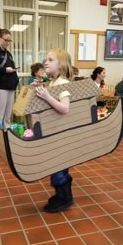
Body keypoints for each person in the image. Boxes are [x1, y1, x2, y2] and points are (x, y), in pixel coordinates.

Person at [35, 48, 73, 213]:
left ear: (61, 64)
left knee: (58, 168)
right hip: (55, 134)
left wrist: (46, 96)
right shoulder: (53, 83)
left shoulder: (63, 83)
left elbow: (65, 108)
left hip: (61, 136)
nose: (46, 62)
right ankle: (61, 194)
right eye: (46, 59)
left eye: (50, 60)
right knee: (56, 167)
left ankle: (65, 198)